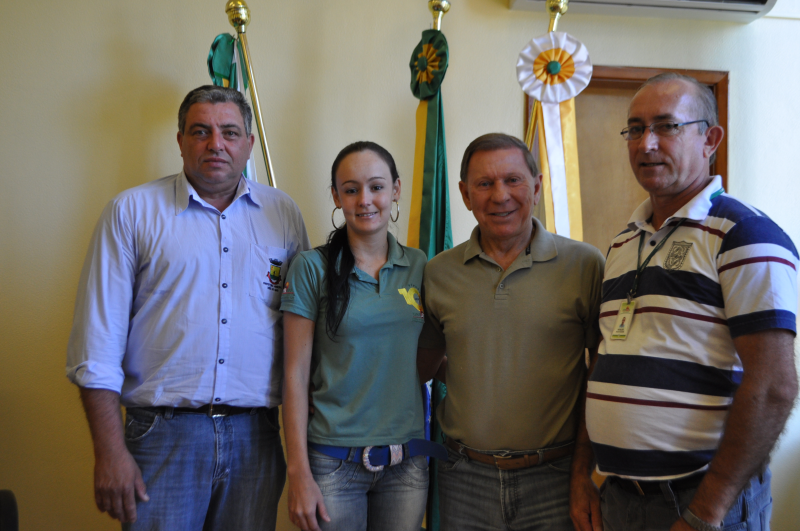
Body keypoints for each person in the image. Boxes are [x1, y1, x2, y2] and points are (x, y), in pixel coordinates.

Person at [66, 85, 309, 530]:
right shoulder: (131, 212)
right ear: (180, 140)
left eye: (230, 132)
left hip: (256, 436)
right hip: (162, 436)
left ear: (249, 144)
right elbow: (95, 347)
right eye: (201, 131)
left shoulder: (284, 214)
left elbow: (302, 338)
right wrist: (109, 452)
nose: (216, 144)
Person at [570, 73, 798, 531]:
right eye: (635, 128)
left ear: (709, 138)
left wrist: (705, 513)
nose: (646, 142)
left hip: (702, 503)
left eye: (667, 126)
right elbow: (606, 364)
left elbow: (774, 385)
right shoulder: (621, 244)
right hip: (618, 498)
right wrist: (582, 475)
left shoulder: (745, 235)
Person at [417, 133, 605, 530]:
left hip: (555, 479)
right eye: (484, 184)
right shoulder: (437, 273)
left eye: (513, 180)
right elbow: (421, 364)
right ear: (465, 195)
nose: (500, 196)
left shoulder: (585, 265)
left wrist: (583, 474)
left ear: (536, 187)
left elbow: (601, 370)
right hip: (464, 480)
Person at [281, 141, 445, 531]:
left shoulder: (420, 265)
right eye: (351, 189)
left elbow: (426, 356)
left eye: (376, 187)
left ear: (396, 190)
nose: (365, 200)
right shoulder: (311, 267)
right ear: (336, 196)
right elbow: (293, 376)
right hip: (333, 463)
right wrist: (298, 472)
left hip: (407, 462)